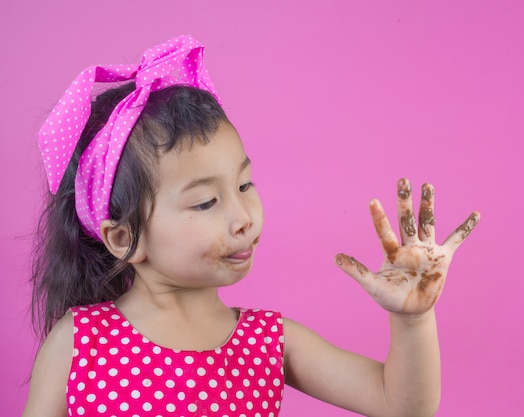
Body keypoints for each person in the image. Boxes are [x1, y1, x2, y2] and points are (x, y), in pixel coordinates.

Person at [22, 35, 480, 417]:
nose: (243, 218)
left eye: (244, 184)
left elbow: (400, 403)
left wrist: (414, 319)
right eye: (205, 202)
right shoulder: (79, 344)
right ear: (124, 239)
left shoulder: (270, 342)